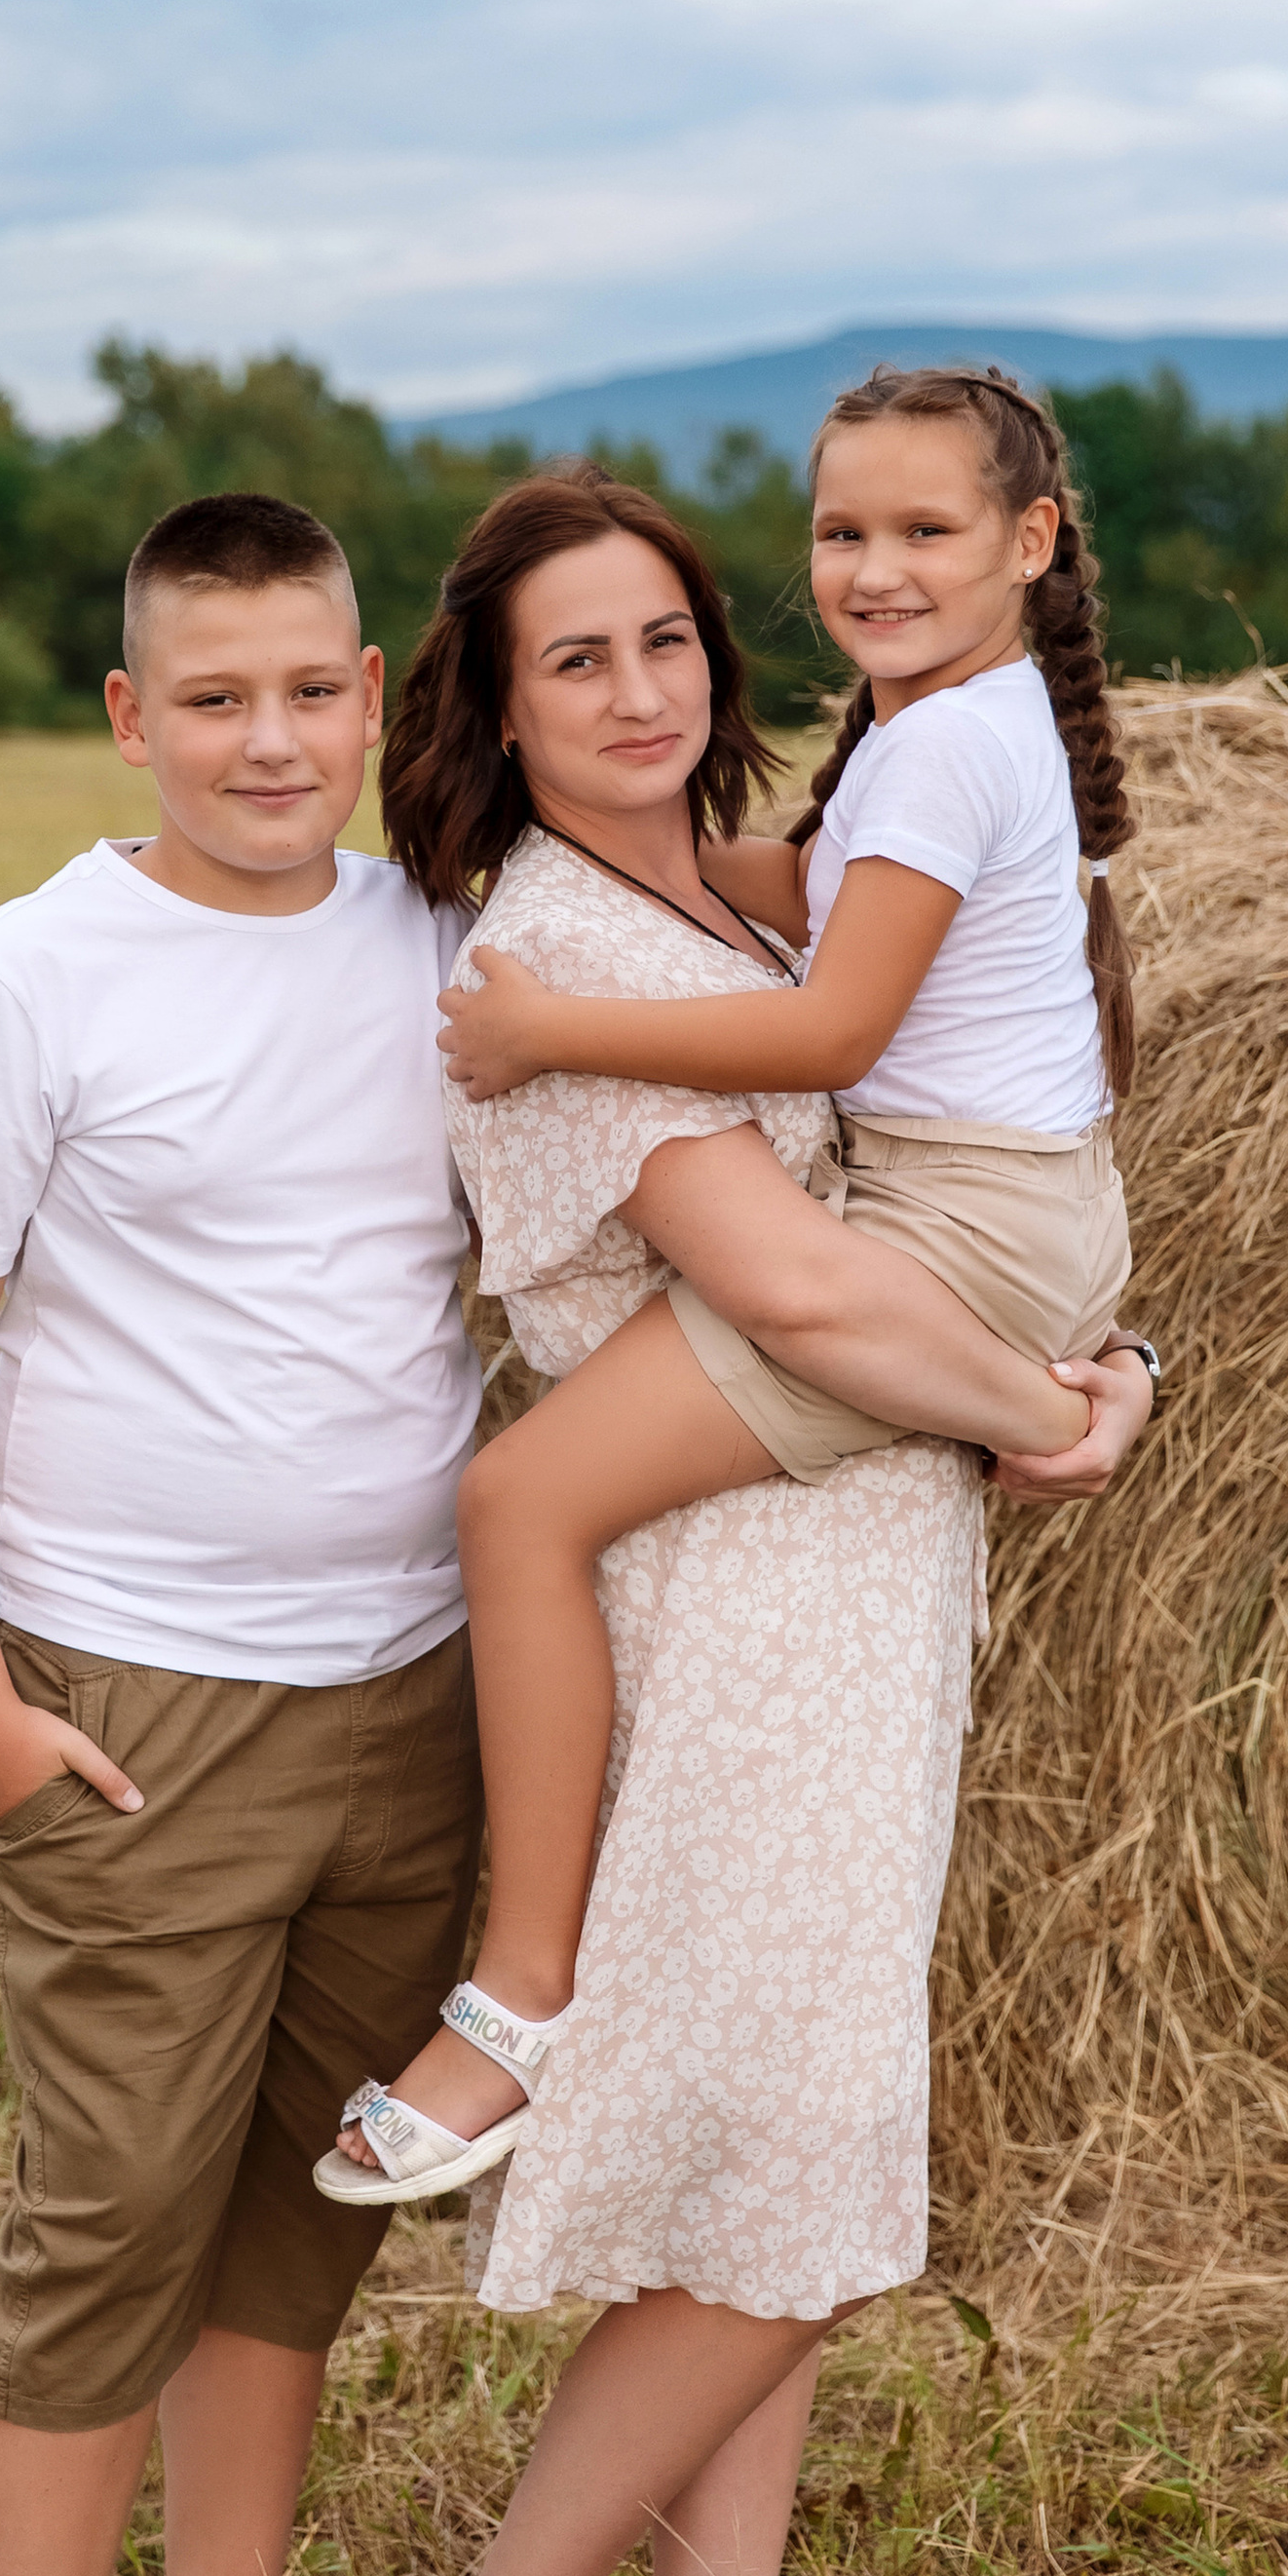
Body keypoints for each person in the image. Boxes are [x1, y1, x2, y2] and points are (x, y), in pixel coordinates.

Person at [0, 483, 1128, 2576]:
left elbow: (815, 961)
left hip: (409, 1686)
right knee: (111, 2212)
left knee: (288, 2235)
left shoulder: (432, 931)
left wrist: (1086, 1309)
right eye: (212, 700)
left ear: (371, 700)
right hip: (141, 1680)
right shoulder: (33, 980)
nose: (267, 741)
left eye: (308, 691)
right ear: (130, 719)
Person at [334, 465, 1153, 2576]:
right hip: (736, 1588)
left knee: (767, 2159)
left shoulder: (721, 894)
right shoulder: (555, 955)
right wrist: (1044, 1410)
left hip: (848, 1560)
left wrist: (1030, 1377)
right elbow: (789, 1291)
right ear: (491, 703)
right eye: (569, 658)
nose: (635, 691)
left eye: (666, 642)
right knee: (790, 2159)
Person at [320, 373, 1147, 2208]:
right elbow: (794, 891)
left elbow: (837, 1014)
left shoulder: (934, 744)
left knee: (518, 1497)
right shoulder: (947, 728)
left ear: (1031, 545)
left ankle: (520, 1996)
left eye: (925, 532)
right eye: (842, 533)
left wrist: (547, 1024)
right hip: (1023, 1218)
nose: (870, 569)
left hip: (959, 1232)